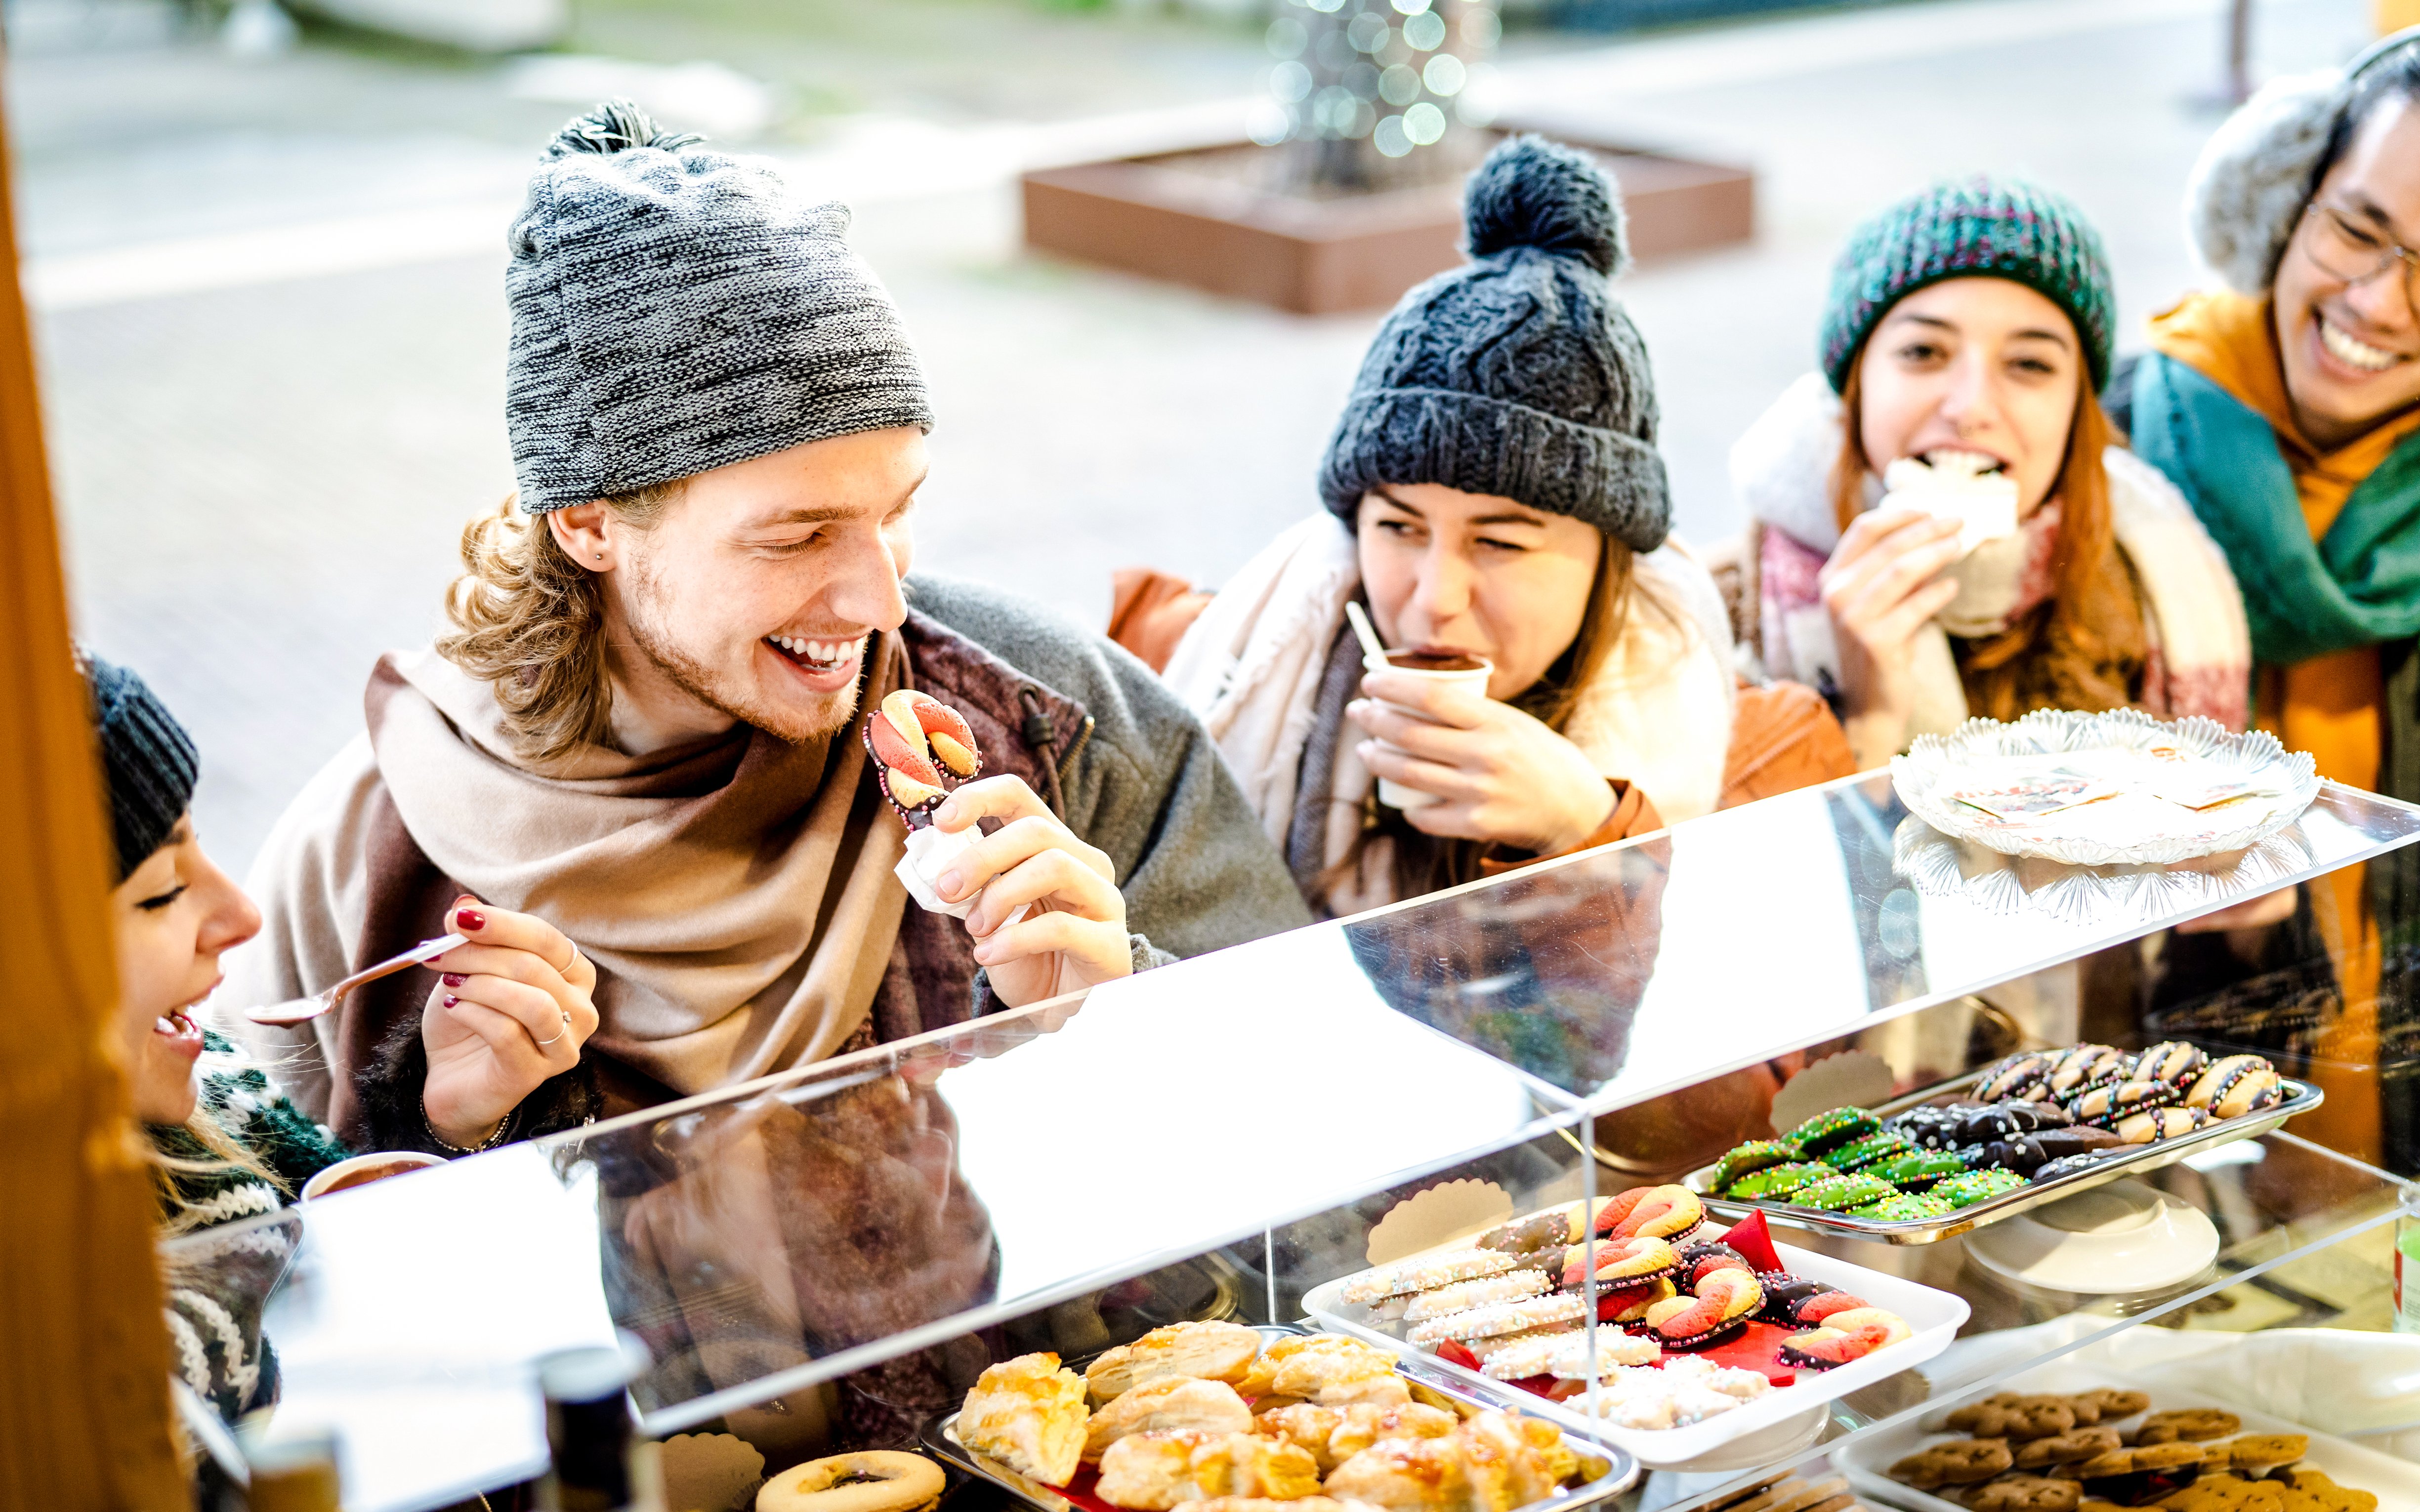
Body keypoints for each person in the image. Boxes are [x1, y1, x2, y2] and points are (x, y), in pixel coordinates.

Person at [227, 101, 1308, 1140]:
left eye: (897, 512)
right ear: (590, 523)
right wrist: (446, 1134)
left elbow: (1328, 1099)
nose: (881, 603)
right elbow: (271, 1266)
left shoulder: (1044, 718)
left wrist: (1127, 1016)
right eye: (798, 537)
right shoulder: (362, 859)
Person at [1162, 137, 1742, 919]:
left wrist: (1587, 828)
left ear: (1609, 552)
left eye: (1499, 541)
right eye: (1398, 527)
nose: (1434, 600)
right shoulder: (1247, 658)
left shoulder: (1737, 750)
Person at [83, 651, 596, 1419]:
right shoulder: (67, 1359)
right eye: (161, 892)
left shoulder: (218, 1095)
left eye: (198, 842)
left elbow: (397, 1316)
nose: (241, 916)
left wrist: (451, 1122)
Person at [2115, 30, 2420, 1169]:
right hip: (2130, 1164)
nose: (2377, 305)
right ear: (2282, 199)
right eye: (2355, 227)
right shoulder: (2110, 436)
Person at [1733, 176, 2250, 774]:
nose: (1970, 407)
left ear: (2075, 410)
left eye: (2028, 364)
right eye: (1923, 352)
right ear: (1855, 387)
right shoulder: (1727, 617)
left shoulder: (2157, 587)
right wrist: (1868, 721)